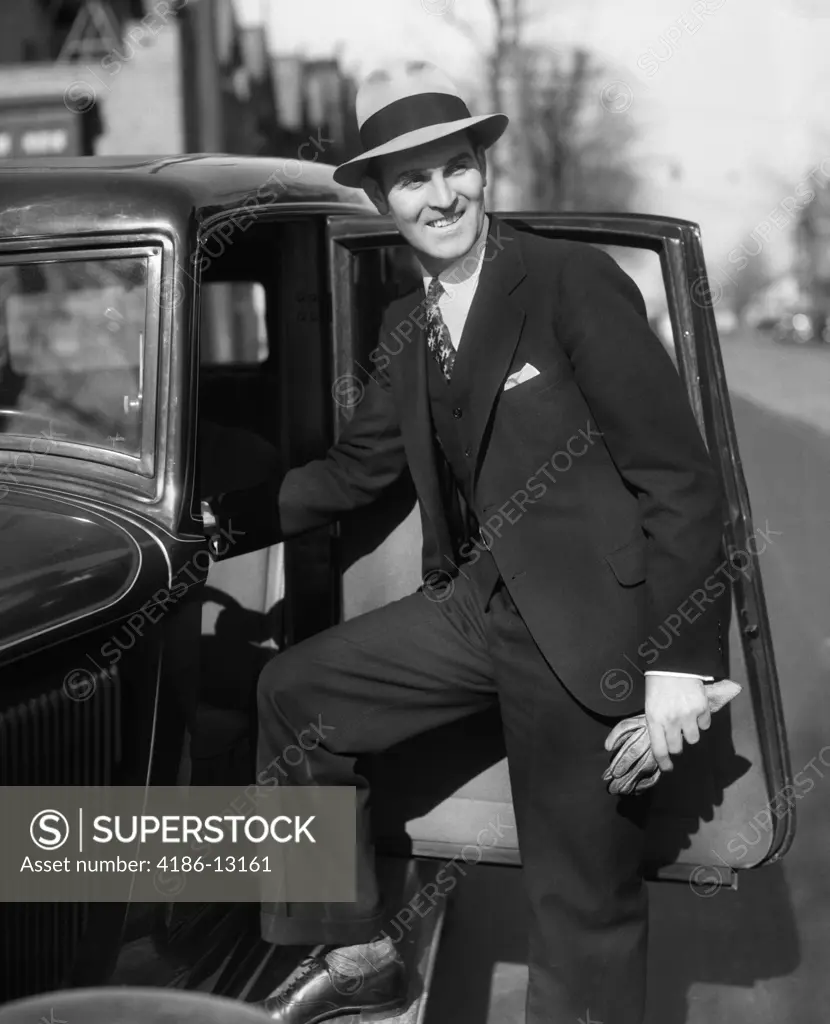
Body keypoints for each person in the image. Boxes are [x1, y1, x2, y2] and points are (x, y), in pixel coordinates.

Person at [219, 61, 729, 1024]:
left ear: (484, 172)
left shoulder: (570, 282)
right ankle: (356, 946)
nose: (441, 195)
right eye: (412, 180)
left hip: (587, 628)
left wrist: (678, 671)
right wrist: (210, 522)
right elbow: (354, 473)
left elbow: (679, 478)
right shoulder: (407, 325)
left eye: (456, 167)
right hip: (472, 609)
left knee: (579, 905)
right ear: (379, 197)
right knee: (293, 694)